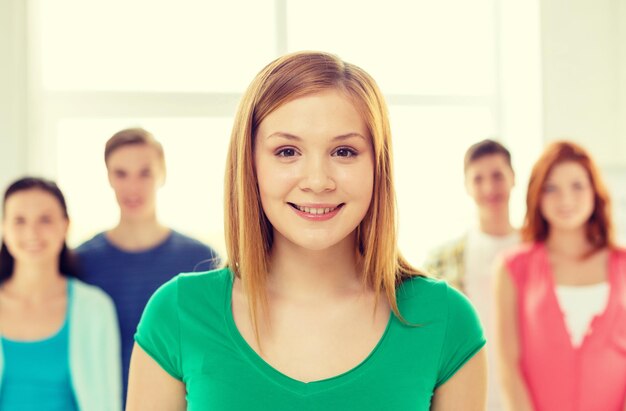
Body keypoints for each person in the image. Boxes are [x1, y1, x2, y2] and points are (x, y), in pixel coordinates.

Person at [126, 51, 487, 410]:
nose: (317, 181)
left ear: (378, 166)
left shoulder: (445, 321)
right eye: (286, 151)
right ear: (250, 164)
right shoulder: (177, 315)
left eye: (344, 151)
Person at [76, 128, 220, 399]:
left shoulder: (200, 259)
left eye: (145, 173)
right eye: (121, 174)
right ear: (108, 177)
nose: (133, 187)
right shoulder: (81, 262)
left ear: (162, 174)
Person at [494, 141, 626, 411]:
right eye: (551, 188)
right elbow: (509, 365)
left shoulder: (623, 263)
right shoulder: (511, 268)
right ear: (537, 195)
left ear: (594, 192)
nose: (565, 199)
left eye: (577, 186)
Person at [0, 177, 120, 410]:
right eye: (19, 220)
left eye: (45, 220)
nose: (32, 232)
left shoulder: (95, 307)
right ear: (4, 228)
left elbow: (107, 399)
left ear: (66, 225)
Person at [424, 139, 519, 410]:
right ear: (467, 186)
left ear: (513, 178)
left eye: (498, 176)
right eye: (478, 179)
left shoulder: (538, 254)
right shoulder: (440, 262)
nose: (489, 188)